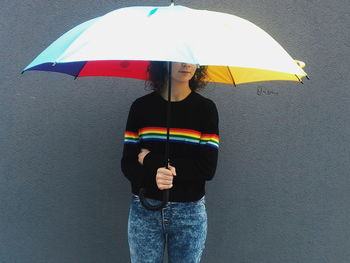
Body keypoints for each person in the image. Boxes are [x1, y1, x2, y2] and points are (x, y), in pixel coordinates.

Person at [121, 61, 219, 263]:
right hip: (145, 208)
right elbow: (128, 163)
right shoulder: (140, 107)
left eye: (192, 58)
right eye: (179, 57)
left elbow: (207, 168)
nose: (186, 64)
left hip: (189, 213)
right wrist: (152, 176)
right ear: (163, 62)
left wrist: (151, 160)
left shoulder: (206, 109)